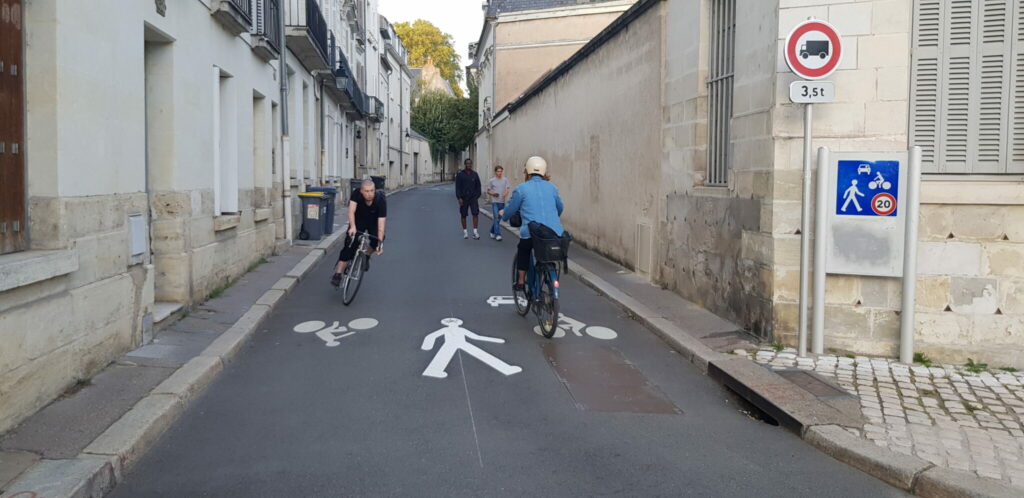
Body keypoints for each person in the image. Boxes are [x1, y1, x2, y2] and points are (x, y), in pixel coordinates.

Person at [500, 156, 564, 291]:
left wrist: (503, 214)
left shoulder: (521, 189)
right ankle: (545, 280)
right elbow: (560, 208)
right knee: (545, 255)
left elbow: (511, 209)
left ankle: (521, 281)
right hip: (554, 234)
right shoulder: (552, 188)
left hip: (532, 233)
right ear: (544, 171)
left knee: (523, 249)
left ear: (527, 171)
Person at [331, 179, 386, 287]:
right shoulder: (356, 194)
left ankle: (367, 255)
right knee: (350, 244)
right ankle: (338, 274)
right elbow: (351, 211)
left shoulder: (381, 199)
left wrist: (379, 243)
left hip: (373, 220)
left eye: (372, 191)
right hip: (358, 219)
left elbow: (381, 221)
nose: (369, 194)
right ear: (361, 191)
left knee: (377, 240)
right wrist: (352, 227)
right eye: (366, 191)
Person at [455, 158, 482, 239]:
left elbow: (478, 186)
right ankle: (465, 232)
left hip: (473, 198)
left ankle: (475, 232)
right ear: (465, 164)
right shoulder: (460, 175)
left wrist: (477, 196)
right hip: (463, 198)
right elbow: (458, 187)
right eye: (467, 163)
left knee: (475, 214)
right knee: (463, 215)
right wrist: (459, 197)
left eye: (470, 163)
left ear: (471, 164)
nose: (469, 165)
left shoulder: (475, 174)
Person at [486, 165, 510, 241]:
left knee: (498, 219)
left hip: (502, 202)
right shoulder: (492, 180)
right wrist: (493, 194)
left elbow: (507, 188)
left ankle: (492, 231)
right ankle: (498, 234)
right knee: (496, 217)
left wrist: (505, 193)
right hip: (495, 202)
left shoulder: (505, 180)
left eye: (501, 171)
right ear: (495, 172)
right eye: (498, 171)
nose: (500, 173)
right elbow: (488, 190)